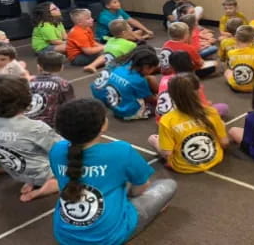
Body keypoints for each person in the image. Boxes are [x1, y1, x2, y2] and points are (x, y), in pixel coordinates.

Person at [51, 98, 176, 245]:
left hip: (65, 236)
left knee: (119, 181)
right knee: (168, 184)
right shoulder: (121, 151)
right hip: (109, 237)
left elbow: (62, 186)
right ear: (102, 126)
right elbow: (140, 189)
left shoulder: (56, 150)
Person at [0, 75, 61, 201]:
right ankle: (47, 187)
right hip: (42, 173)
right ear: (27, 100)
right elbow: (62, 148)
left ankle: (31, 181)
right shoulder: (35, 128)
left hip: (16, 173)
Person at [148, 73, 229, 173]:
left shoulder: (166, 120)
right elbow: (225, 143)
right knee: (220, 123)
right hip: (215, 158)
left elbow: (167, 153)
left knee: (152, 138)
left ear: (171, 95)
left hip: (183, 167)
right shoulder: (211, 112)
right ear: (198, 91)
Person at [156, 51, 228, 122]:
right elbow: (203, 106)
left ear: (171, 67)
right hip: (181, 121)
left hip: (162, 120)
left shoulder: (164, 79)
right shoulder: (192, 82)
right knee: (223, 107)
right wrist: (208, 104)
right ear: (191, 63)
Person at [91, 46, 159, 120]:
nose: (152, 72)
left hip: (114, 105)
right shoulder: (138, 80)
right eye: (152, 69)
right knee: (159, 106)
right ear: (146, 67)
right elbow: (151, 100)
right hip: (127, 113)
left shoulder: (120, 68)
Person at [26, 51, 75, 128]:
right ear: (62, 67)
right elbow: (71, 105)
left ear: (39, 67)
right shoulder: (63, 84)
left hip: (27, 122)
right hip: (50, 125)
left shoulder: (28, 82)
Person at [66, 8, 106, 73]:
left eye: (91, 17)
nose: (92, 19)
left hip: (84, 53)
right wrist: (105, 47)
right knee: (108, 55)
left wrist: (103, 46)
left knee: (107, 51)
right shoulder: (78, 33)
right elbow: (89, 51)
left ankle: (99, 62)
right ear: (80, 22)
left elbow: (93, 42)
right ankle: (92, 65)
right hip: (77, 58)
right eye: (88, 18)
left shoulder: (86, 28)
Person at [225, 25, 254, 93]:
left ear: (236, 37)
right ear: (253, 39)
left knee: (227, 71)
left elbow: (231, 67)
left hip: (236, 87)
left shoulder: (231, 53)